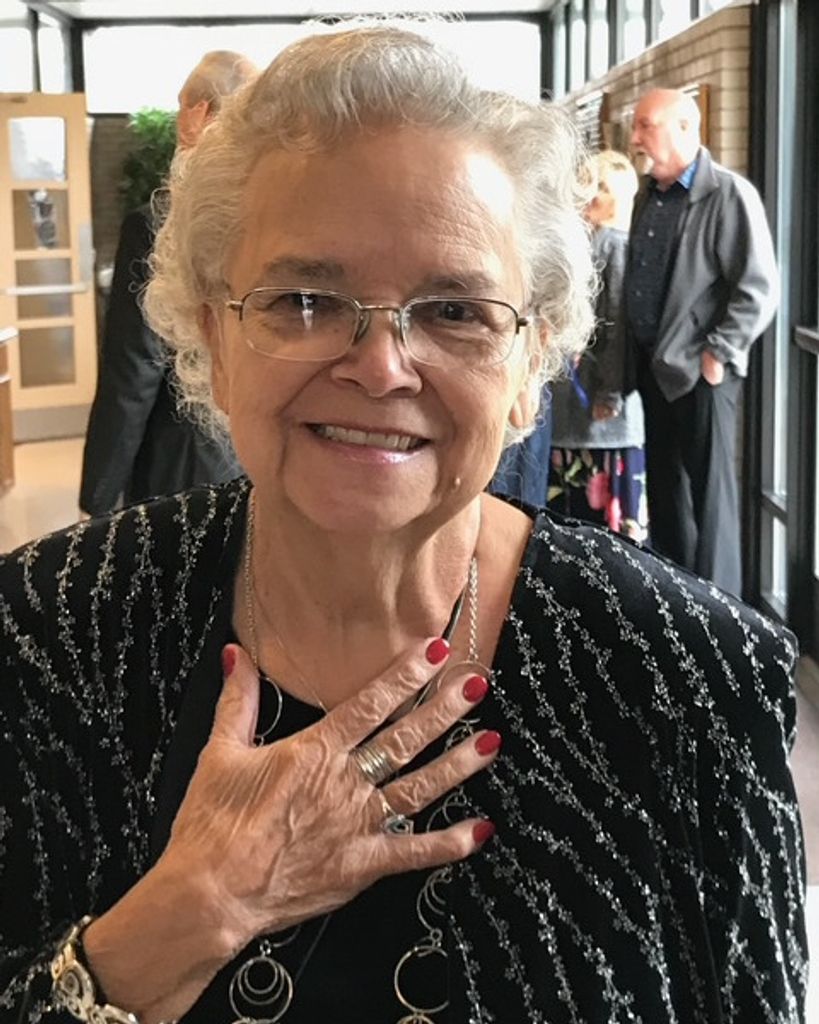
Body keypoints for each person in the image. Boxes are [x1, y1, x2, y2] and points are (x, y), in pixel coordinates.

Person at [0, 24, 806, 1024]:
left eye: (454, 310)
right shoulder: (51, 633)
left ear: (531, 364)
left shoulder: (690, 677)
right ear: (212, 332)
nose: (381, 368)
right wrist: (190, 912)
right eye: (305, 300)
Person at [78, 51, 257, 517]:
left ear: (197, 114)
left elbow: (133, 369)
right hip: (253, 455)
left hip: (177, 462)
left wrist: (97, 499)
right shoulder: (270, 218)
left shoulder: (160, 224)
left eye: (181, 106)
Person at [624, 87, 778, 595]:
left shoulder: (728, 194)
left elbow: (758, 288)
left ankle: (722, 613)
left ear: (686, 128)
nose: (635, 137)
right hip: (655, 369)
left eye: (646, 125)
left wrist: (719, 353)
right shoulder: (649, 194)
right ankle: (677, 601)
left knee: (711, 500)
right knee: (667, 494)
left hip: (702, 373)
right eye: (636, 125)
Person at [548, 149, 647, 540]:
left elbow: (618, 327)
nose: (591, 195)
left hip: (603, 423)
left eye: (602, 187)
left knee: (607, 536)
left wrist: (610, 394)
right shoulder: (586, 242)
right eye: (589, 184)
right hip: (572, 421)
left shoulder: (616, 246)